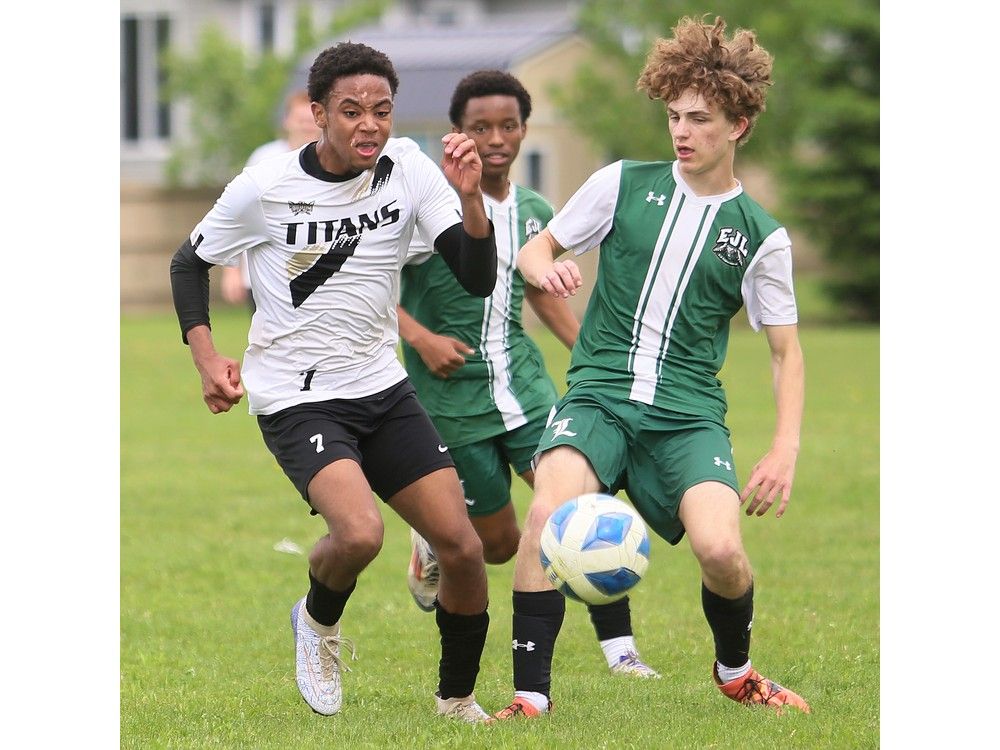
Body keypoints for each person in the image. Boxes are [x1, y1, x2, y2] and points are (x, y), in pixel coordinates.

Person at [169, 41, 500, 723]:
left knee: (464, 549)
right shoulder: (265, 187)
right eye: (351, 111)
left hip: (382, 387)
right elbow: (187, 263)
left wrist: (471, 203)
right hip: (297, 397)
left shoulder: (409, 170)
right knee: (359, 536)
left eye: (382, 110)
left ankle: (456, 701)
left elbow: (476, 275)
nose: (369, 124)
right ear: (318, 114)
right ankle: (317, 626)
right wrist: (207, 357)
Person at [492, 16, 811, 719]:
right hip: (600, 398)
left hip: (687, 416)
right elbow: (534, 252)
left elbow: (786, 352)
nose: (682, 131)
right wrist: (549, 273)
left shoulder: (761, 236)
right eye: (674, 116)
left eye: (700, 118)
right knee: (545, 515)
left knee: (722, 551)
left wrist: (784, 448)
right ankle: (529, 698)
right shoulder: (621, 185)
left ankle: (736, 673)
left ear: (740, 125)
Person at [397, 69, 660, 680]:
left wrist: (593, 355)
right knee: (497, 544)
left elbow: (539, 290)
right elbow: (373, 288)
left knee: (580, 508)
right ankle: (430, 547)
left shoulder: (537, 209)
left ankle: (620, 651)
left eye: (508, 126)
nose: (496, 138)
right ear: (456, 133)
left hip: (526, 384)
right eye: (480, 126)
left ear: (523, 131)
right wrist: (422, 337)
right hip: (451, 397)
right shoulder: (425, 206)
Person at [221, 90, 322, 312]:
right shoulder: (264, 160)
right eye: (301, 120)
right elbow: (238, 216)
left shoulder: (335, 164)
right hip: (264, 277)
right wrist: (231, 270)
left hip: (317, 275)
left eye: (311, 120)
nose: (307, 126)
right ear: (287, 121)